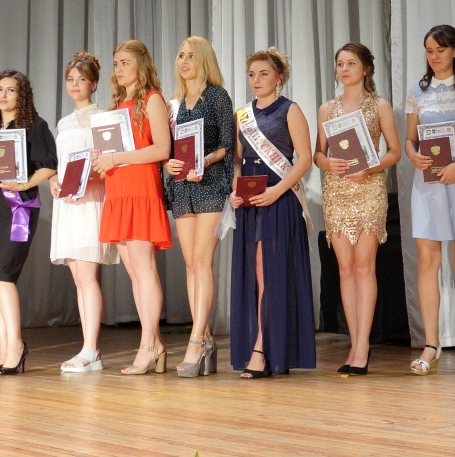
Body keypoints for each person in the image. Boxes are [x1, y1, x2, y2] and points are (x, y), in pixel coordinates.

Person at [314, 43, 400, 375]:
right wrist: (327, 163)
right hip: (337, 191)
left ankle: (363, 345)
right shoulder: (326, 108)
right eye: (340, 64)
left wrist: (371, 167)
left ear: (366, 68)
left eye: (351, 63)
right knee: (345, 269)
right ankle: (353, 342)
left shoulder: (379, 105)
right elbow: (317, 154)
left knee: (364, 267)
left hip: (368, 188)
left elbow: (394, 152)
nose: (345, 69)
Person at [229, 47, 316, 378]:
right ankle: (265, 347)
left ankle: (262, 349)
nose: (256, 80)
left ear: (279, 78)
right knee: (256, 275)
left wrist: (276, 191)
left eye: (263, 74)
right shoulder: (242, 115)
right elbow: (237, 160)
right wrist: (236, 191)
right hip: (251, 202)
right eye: (252, 74)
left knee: (271, 274)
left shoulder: (290, 110)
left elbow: (304, 159)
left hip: (279, 199)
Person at [91, 40, 172, 375]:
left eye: (125, 62)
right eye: (116, 63)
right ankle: (155, 344)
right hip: (118, 191)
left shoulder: (152, 99)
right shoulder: (115, 107)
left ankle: (149, 344)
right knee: (135, 274)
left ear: (141, 65)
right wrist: (100, 159)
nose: (119, 69)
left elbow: (162, 149)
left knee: (144, 269)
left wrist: (115, 158)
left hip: (140, 189)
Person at [404, 26, 455, 375]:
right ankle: (431, 344)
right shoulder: (416, 92)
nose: (434, 56)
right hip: (429, 182)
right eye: (429, 50)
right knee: (426, 260)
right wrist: (414, 155)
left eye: (440, 50)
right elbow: (410, 139)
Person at [0, 70, 57, 375]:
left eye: (11, 90)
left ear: (22, 95)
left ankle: (17, 345)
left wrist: (24, 184)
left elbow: (50, 166)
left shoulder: (35, 125)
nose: (4, 95)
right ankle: (6, 347)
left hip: (18, 208)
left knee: (4, 274)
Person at [163, 37, 234, 377]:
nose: (184, 61)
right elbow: (167, 148)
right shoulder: (174, 104)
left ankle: (195, 341)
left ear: (204, 60)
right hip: (182, 187)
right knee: (190, 264)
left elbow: (227, 145)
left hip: (210, 184)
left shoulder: (217, 96)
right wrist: (169, 164)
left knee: (203, 261)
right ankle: (204, 337)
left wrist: (204, 160)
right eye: (181, 55)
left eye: (191, 56)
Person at [49, 52, 118, 373]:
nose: (75, 85)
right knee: (79, 277)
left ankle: (91, 349)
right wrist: (54, 180)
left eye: (81, 79)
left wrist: (91, 178)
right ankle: (89, 350)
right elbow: (60, 164)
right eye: (70, 80)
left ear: (94, 83)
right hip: (68, 202)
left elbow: (110, 161)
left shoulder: (102, 117)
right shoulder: (63, 122)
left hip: (90, 200)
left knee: (88, 276)